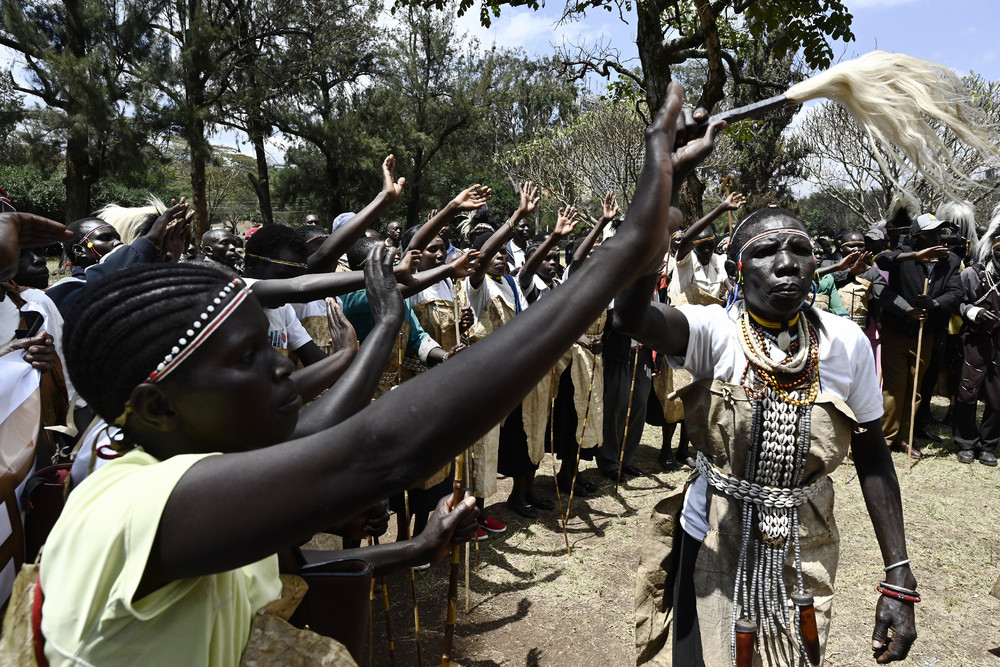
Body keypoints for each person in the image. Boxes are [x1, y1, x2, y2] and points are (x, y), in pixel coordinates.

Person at [27, 81, 706, 665]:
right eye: (246, 359)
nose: (279, 366)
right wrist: (619, 255)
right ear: (158, 405)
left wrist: (410, 548)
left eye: (265, 345)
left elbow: (295, 555)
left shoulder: (177, 468)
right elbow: (376, 448)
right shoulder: (132, 508)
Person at [617, 205, 918, 665]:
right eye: (765, 251)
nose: (786, 262)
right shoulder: (713, 330)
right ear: (738, 269)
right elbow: (634, 319)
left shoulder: (846, 342)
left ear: (816, 264)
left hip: (803, 546)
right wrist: (648, 244)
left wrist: (899, 577)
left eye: (801, 249)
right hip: (713, 538)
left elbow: (874, 458)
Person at [875, 212, 963, 459]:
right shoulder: (902, 254)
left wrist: (934, 303)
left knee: (915, 389)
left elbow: (956, 292)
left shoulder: (951, 261)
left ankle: (905, 437)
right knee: (894, 387)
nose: (938, 237)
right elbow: (881, 259)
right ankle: (885, 438)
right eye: (931, 234)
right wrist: (915, 256)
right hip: (897, 331)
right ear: (916, 236)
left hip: (926, 334)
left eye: (939, 232)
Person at [953, 215, 1000, 466]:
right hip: (974, 341)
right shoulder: (973, 274)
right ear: (993, 246)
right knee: (967, 391)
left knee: (998, 395)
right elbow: (955, 301)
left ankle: (989, 444)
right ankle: (965, 442)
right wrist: (974, 311)